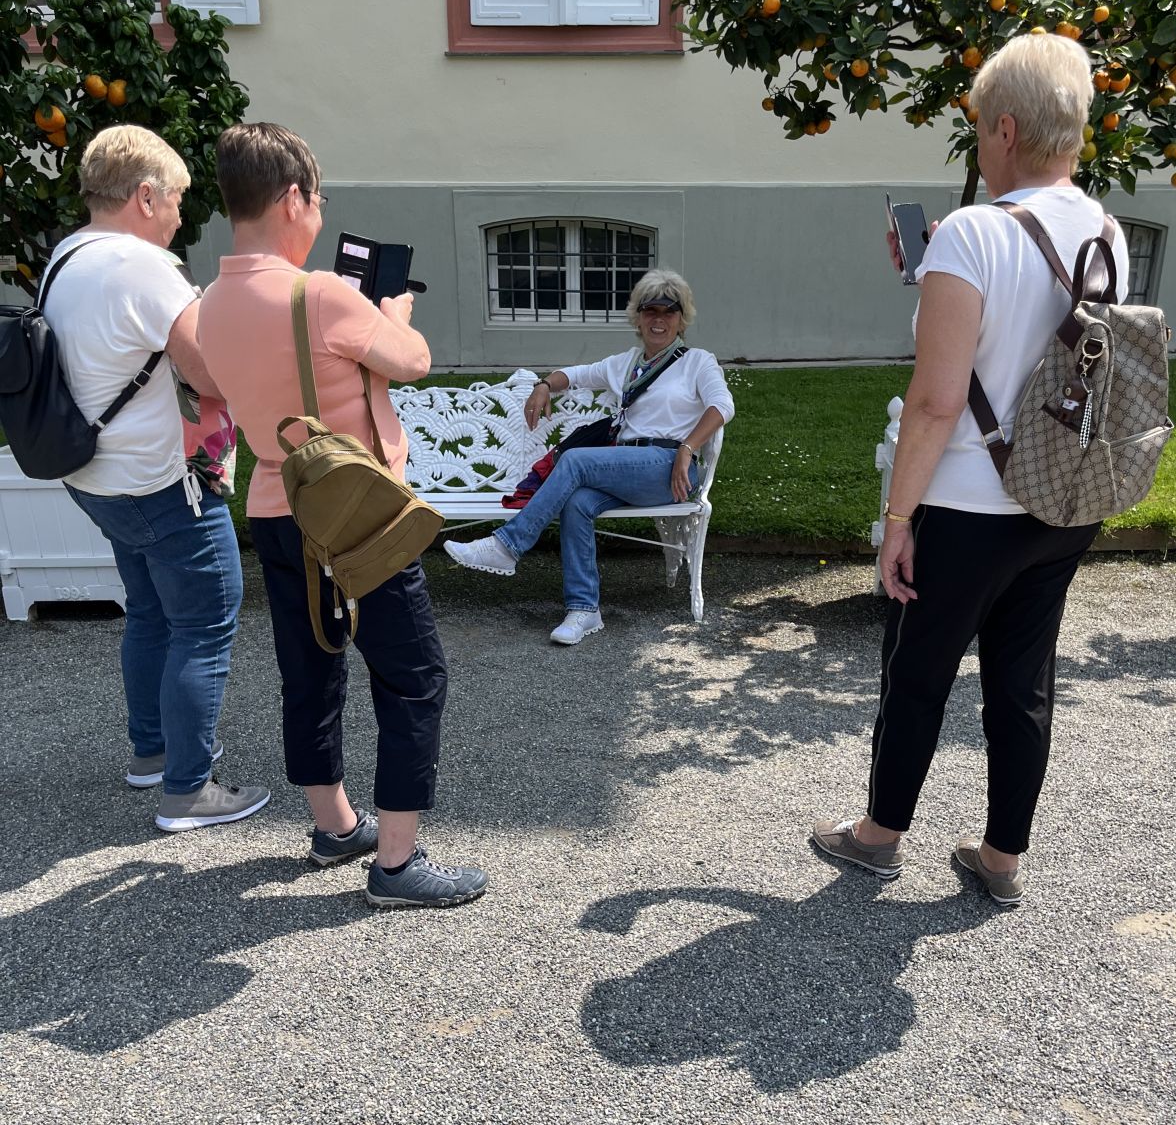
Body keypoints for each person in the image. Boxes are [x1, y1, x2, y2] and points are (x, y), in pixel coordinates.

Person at [812, 33, 1129, 907]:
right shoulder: (1105, 231)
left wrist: (897, 521)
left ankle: (879, 837)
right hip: (1063, 497)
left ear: (1007, 129)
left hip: (967, 505)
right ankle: (1000, 859)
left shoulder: (969, 233)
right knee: (1023, 683)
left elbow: (936, 402)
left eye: (983, 124)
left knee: (917, 674)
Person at [198, 122, 489, 909]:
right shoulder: (323, 294)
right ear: (293, 198)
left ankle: (334, 825)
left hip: (275, 508)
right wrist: (393, 312)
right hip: (358, 515)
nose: (319, 212)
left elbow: (220, 383)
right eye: (318, 200)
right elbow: (413, 361)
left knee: (309, 670)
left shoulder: (208, 304)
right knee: (414, 677)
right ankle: (396, 865)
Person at [45, 125, 268, 831]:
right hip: (161, 479)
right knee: (205, 620)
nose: (177, 215)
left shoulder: (65, 258)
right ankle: (189, 789)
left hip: (96, 474)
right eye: (174, 199)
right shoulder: (143, 268)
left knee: (149, 612)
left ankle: (153, 751)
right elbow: (212, 373)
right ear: (144, 196)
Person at [444, 269, 734, 642]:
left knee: (576, 460)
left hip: (668, 468)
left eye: (669, 311)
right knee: (578, 502)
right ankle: (583, 610)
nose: (659, 320)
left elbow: (722, 406)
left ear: (682, 318)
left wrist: (687, 447)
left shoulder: (697, 361)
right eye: (650, 310)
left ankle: (507, 546)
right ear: (638, 317)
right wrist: (544, 384)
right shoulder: (627, 364)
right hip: (626, 468)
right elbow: (576, 374)